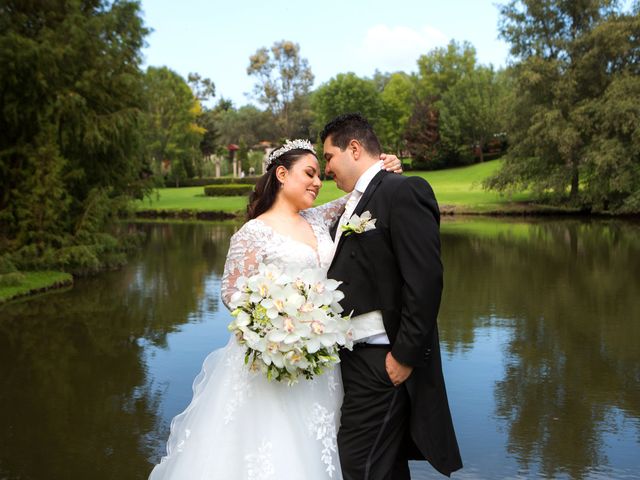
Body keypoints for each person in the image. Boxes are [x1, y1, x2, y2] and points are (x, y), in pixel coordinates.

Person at [149, 139, 403, 479]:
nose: (317, 182)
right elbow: (231, 293)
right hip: (272, 357)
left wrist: (382, 168)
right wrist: (277, 326)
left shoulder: (316, 220)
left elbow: (357, 196)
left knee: (318, 447)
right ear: (282, 174)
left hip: (318, 360)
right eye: (309, 173)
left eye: (320, 176)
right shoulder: (252, 233)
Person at [321, 113, 462, 479]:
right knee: (384, 467)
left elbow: (425, 280)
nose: (326, 169)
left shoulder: (402, 191)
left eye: (329, 157)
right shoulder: (349, 206)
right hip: (353, 358)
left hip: (383, 361)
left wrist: (404, 355)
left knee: (357, 466)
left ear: (353, 148)